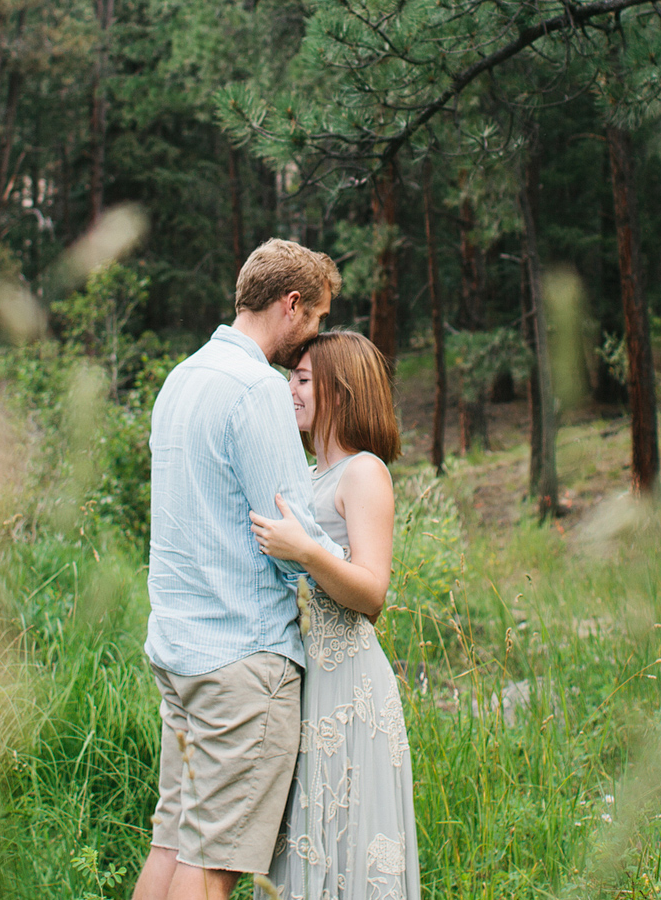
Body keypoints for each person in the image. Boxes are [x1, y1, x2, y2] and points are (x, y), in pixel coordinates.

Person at [134, 239, 343, 900]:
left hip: (180, 651)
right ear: (291, 304)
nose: (314, 335)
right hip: (242, 661)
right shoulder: (256, 390)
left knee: (173, 844)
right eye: (315, 318)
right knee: (212, 862)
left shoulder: (182, 378)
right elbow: (294, 531)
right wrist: (351, 571)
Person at [250, 331, 421, 900]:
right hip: (305, 686)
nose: (289, 390)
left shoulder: (364, 472)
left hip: (350, 690)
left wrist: (306, 551)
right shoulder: (308, 478)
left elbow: (373, 593)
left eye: (302, 379)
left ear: (339, 392)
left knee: (348, 846)